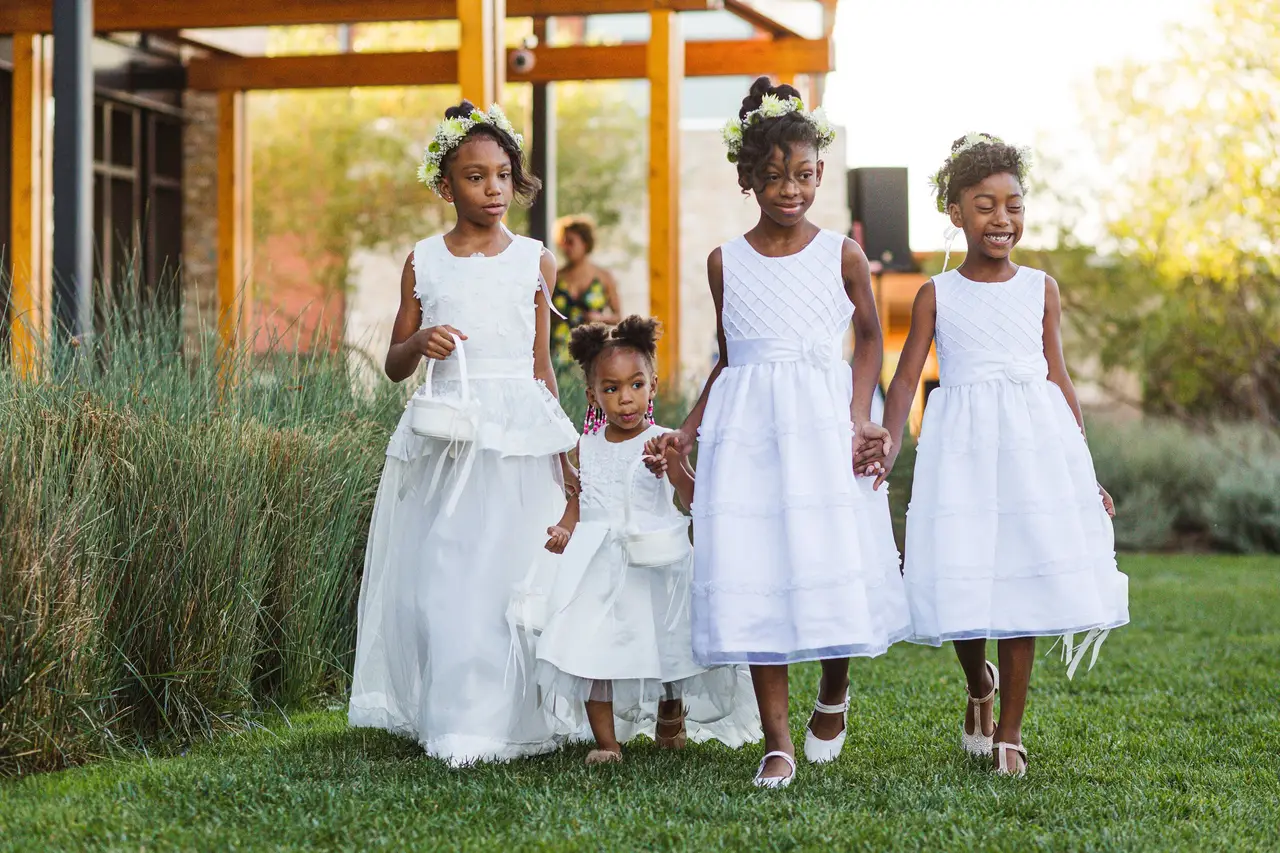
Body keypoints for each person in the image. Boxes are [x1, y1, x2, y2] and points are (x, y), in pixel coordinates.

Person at [645, 78, 912, 788]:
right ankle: (777, 739)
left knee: (828, 558)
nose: (789, 189)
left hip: (823, 420)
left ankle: (833, 687)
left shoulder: (843, 255)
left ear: (820, 173)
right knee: (758, 567)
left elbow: (867, 341)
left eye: (802, 174)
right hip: (748, 429)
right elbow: (730, 357)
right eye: (773, 177)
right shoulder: (723, 261)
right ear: (747, 179)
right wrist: (688, 429)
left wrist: (863, 415)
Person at [876, 133, 1129, 777]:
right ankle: (978, 683)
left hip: (1032, 449)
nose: (1002, 218)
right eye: (984, 205)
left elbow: (1060, 378)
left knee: (1019, 584)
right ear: (956, 213)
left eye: (1013, 204)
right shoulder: (937, 294)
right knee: (960, 580)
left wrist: (1086, 474)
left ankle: (1010, 732)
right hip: (959, 449)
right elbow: (905, 378)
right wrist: (882, 438)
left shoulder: (1041, 287)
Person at [347, 101, 580, 767]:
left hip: (516, 434)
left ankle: (520, 714)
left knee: (511, 573)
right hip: (446, 433)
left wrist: (565, 453)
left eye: (504, 174)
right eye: (475, 177)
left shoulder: (536, 261)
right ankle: (455, 720)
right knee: (448, 575)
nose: (494, 189)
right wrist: (420, 340)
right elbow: (394, 364)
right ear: (445, 186)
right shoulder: (423, 261)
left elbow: (542, 367)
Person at [535, 317, 761, 765]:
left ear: (652, 387)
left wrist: (671, 466)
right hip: (599, 567)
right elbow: (581, 500)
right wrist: (564, 527)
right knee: (590, 648)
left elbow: (690, 495)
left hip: (658, 563)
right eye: (612, 388)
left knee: (668, 646)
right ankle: (607, 742)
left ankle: (671, 707)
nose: (625, 399)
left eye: (636, 385)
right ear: (593, 395)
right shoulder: (587, 444)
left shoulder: (664, 441)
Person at [550, 216, 623, 364]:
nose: (565, 247)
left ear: (585, 243)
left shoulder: (604, 277)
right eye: (562, 242)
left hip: (592, 353)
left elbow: (618, 316)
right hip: (558, 354)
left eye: (570, 242)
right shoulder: (554, 277)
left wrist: (599, 319)